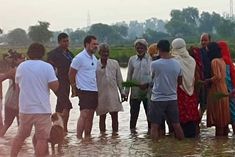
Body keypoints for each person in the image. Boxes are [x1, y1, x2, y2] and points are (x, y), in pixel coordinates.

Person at [10, 43, 59, 157]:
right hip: (42, 109)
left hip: (25, 108)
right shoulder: (47, 67)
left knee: (20, 136)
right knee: (42, 139)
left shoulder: (22, 66)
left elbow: (18, 87)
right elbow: (55, 86)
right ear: (43, 54)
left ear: (29, 53)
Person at [149, 40, 184, 140]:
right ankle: (184, 149)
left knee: (154, 126)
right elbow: (180, 82)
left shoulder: (154, 64)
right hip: (172, 98)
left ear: (158, 49)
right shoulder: (177, 64)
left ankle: (154, 150)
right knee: (176, 125)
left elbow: (152, 78)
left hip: (157, 99)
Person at [69, 35, 99, 139]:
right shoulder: (79, 58)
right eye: (93, 44)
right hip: (84, 89)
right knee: (84, 113)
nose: (96, 46)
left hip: (94, 90)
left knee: (91, 114)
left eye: (96, 44)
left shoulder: (94, 58)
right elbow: (71, 73)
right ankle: (78, 138)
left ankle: (87, 139)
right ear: (87, 44)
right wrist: (73, 87)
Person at [171, 38, 199, 138]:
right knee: (190, 115)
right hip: (190, 90)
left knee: (179, 117)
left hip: (179, 91)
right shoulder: (192, 60)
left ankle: (181, 146)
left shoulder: (174, 60)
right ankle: (190, 146)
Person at [96, 43, 126, 133]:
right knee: (102, 117)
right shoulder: (95, 65)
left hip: (113, 94)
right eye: (103, 52)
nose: (105, 54)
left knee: (115, 117)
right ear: (99, 53)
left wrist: (122, 92)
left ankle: (115, 136)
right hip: (101, 94)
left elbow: (119, 80)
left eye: (107, 52)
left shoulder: (114, 63)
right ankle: (102, 136)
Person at [48, 33, 74, 132]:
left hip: (67, 83)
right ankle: (60, 127)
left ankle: (61, 128)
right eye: (64, 41)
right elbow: (49, 68)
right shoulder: (53, 54)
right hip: (57, 83)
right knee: (67, 104)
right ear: (59, 42)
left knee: (61, 105)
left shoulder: (70, 54)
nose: (66, 43)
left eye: (67, 41)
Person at [125, 39, 151, 133]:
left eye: (141, 47)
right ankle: (133, 135)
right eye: (138, 48)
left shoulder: (150, 59)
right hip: (135, 92)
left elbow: (153, 75)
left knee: (150, 116)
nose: (139, 49)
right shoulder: (132, 59)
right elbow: (129, 76)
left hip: (148, 92)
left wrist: (148, 84)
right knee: (133, 115)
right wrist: (126, 92)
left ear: (146, 48)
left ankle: (150, 134)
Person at [205, 42, 230, 136]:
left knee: (218, 120)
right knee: (224, 121)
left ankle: (218, 147)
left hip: (217, 90)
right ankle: (224, 146)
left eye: (207, 49)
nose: (206, 50)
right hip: (223, 89)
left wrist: (207, 81)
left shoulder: (214, 61)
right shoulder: (221, 60)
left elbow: (217, 76)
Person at [0, 51, 25, 137]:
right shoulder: (15, 70)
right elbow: (2, 78)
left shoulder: (18, 70)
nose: (24, 59)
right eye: (22, 58)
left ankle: (20, 148)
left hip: (16, 101)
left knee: (17, 126)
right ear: (16, 60)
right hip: (13, 101)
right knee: (9, 125)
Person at [218, 41, 235, 134]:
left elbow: (227, 78)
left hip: (229, 90)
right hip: (232, 89)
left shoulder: (224, 60)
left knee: (231, 113)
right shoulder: (229, 60)